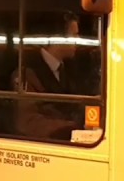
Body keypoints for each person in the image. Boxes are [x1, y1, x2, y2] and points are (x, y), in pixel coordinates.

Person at [11, 11, 88, 140]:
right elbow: (27, 122)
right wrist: (74, 128)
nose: (78, 40)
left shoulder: (70, 69)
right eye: (74, 35)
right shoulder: (27, 74)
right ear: (58, 38)